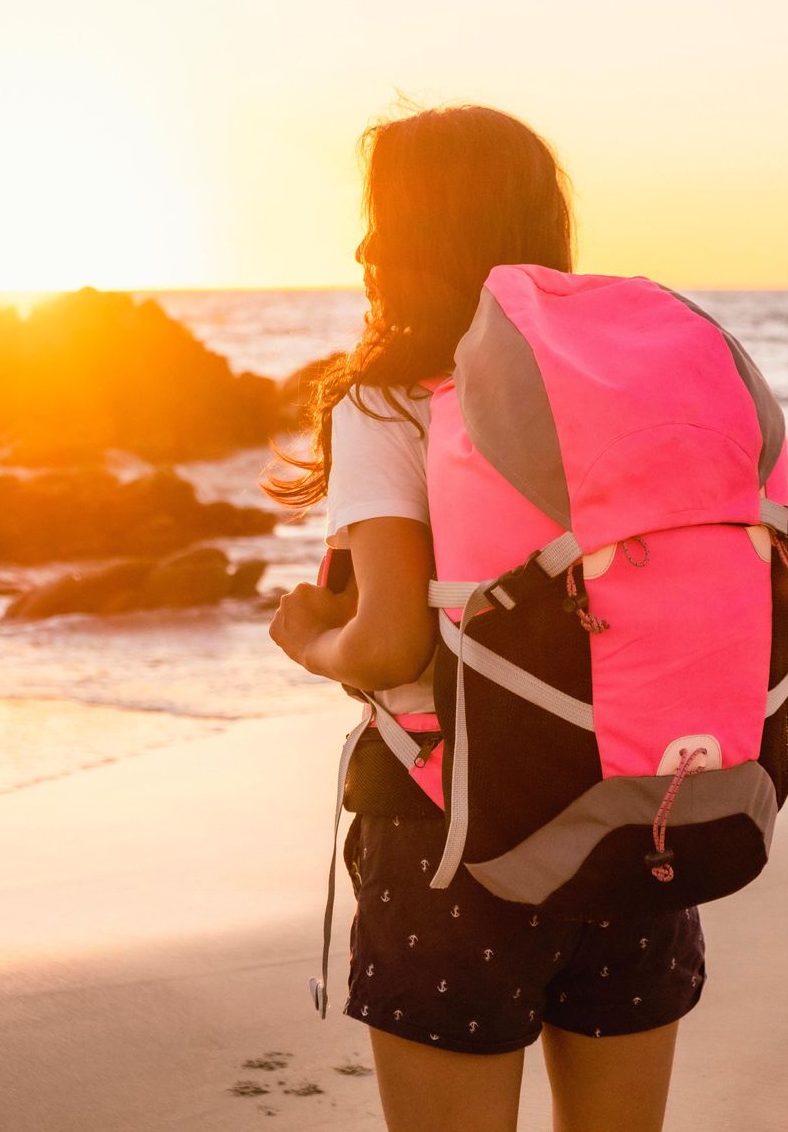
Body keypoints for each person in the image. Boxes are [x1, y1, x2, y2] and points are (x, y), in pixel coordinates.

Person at [266, 105, 705, 1132]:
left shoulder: (386, 400)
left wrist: (303, 637)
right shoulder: (622, 387)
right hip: (639, 807)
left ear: (416, 236)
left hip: (446, 834)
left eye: (383, 219)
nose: (365, 245)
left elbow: (387, 644)